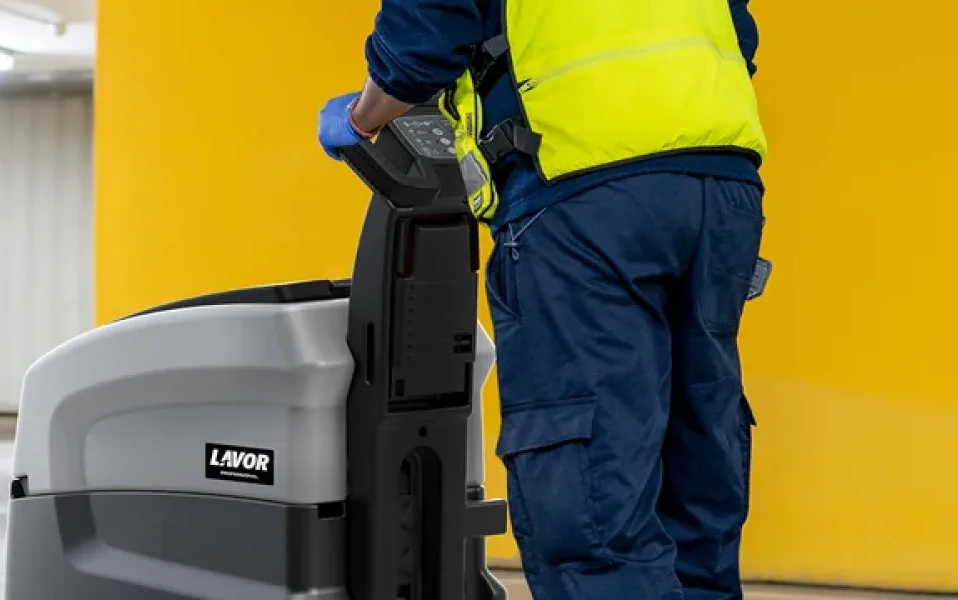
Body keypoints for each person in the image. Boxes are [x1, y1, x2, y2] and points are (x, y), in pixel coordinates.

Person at [316, 1, 770, 599]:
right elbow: (738, 35)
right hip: (721, 180)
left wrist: (365, 115)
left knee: (590, 485)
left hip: (581, 185)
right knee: (694, 455)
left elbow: (427, 26)